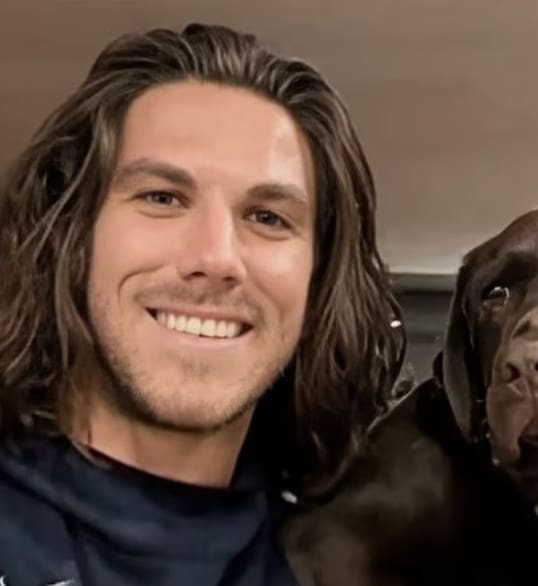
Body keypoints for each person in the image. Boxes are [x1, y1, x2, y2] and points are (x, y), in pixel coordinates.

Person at [0, 23, 404, 585]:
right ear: (71, 236)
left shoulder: (346, 564)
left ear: (318, 278)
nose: (216, 258)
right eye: (162, 197)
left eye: (267, 217)